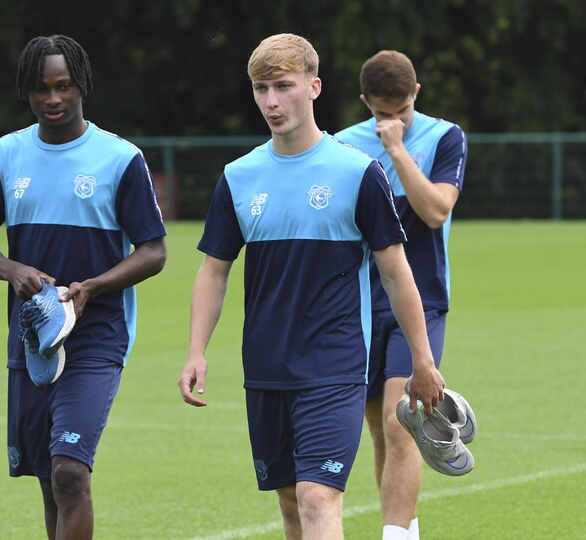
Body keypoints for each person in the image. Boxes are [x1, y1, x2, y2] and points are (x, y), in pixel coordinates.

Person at [177, 34, 445, 540]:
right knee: (290, 503)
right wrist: (196, 350)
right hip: (264, 366)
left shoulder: (358, 172)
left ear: (314, 87)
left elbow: (396, 271)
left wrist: (423, 361)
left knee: (318, 497)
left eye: (284, 86)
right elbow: (214, 270)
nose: (272, 101)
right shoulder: (238, 177)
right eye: (261, 89)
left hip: (335, 365)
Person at [0, 34, 167, 540]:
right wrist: (12, 270)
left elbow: (154, 251)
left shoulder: (120, 158)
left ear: (82, 86)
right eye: (41, 89)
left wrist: (95, 285)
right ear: (27, 92)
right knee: (50, 480)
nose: (53, 99)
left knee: (71, 470)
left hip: (97, 334)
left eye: (64, 87)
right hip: (31, 337)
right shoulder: (7, 155)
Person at [334, 50, 468, 540]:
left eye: (402, 112)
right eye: (381, 114)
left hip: (421, 298)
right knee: (380, 434)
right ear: (364, 101)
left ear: (416, 94)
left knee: (401, 423)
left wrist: (396, 150)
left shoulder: (445, 137)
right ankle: (405, 530)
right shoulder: (341, 146)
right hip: (356, 305)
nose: (393, 122)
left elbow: (435, 211)